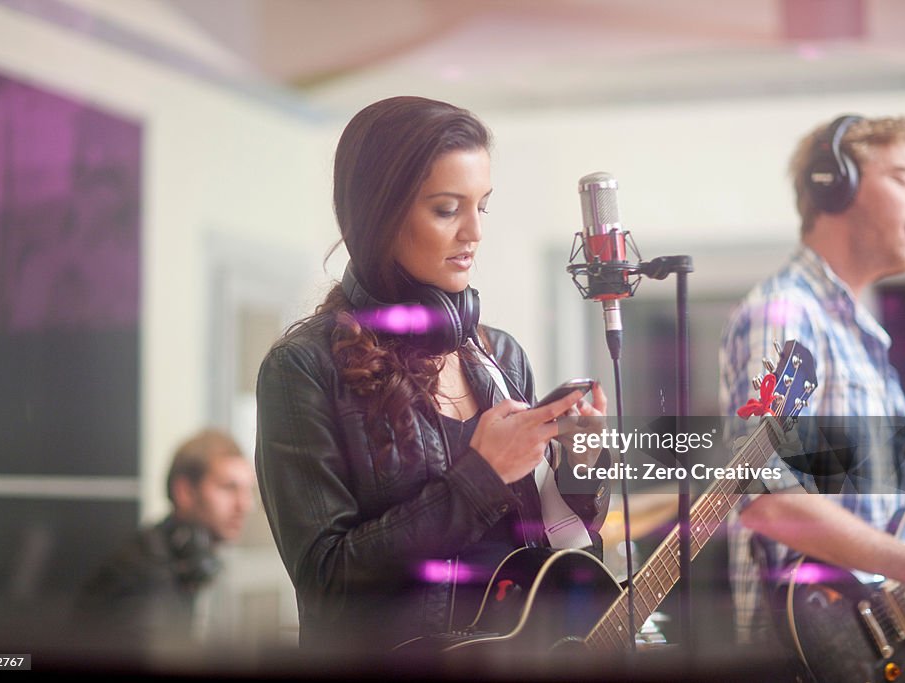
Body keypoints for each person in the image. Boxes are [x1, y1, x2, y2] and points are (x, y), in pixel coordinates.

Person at [254, 96, 610, 654]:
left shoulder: (503, 357)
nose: (474, 232)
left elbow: (548, 545)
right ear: (379, 216)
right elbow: (326, 580)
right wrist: (482, 477)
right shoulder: (302, 368)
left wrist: (582, 468)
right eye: (447, 209)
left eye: (482, 207)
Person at [719, 115, 905, 652]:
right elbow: (766, 496)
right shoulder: (784, 314)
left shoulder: (859, 338)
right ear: (837, 187)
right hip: (804, 656)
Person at [76, 428, 256, 651]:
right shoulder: (146, 573)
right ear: (185, 492)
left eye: (248, 491)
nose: (245, 505)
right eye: (229, 488)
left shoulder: (180, 558)